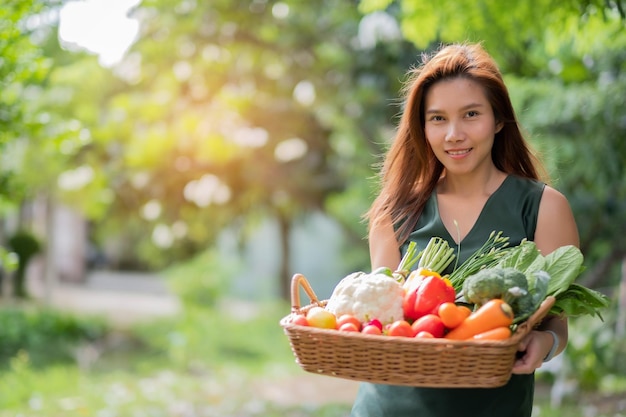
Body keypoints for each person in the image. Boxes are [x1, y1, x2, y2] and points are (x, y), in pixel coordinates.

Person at [351, 42, 579, 417]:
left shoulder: (543, 207)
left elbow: (557, 325)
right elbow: (383, 322)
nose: (453, 134)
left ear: (499, 119)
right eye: (437, 118)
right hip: (389, 407)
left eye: (471, 114)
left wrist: (546, 344)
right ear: (422, 127)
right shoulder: (394, 212)